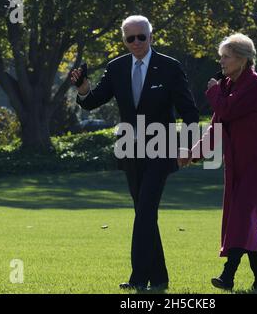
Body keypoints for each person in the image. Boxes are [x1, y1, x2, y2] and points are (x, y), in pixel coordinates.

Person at [71, 15, 199, 291]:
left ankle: (138, 278)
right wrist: (82, 88)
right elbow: (92, 102)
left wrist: (188, 145)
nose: (137, 42)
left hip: (162, 147)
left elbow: (189, 111)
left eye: (142, 36)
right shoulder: (116, 67)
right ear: (125, 41)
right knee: (144, 212)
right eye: (131, 38)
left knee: (144, 212)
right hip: (130, 148)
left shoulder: (170, 67)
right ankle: (160, 278)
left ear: (151, 37)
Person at [178, 33, 257, 291]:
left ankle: (228, 275)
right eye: (221, 56)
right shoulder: (227, 87)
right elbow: (216, 128)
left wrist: (212, 91)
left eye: (226, 56)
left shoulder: (254, 83)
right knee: (247, 216)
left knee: (242, 212)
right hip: (236, 161)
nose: (221, 61)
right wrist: (193, 153)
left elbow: (228, 110)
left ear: (242, 59)